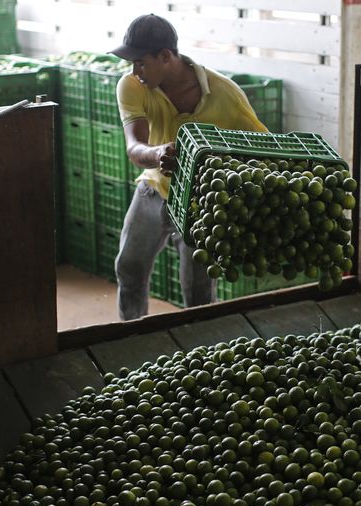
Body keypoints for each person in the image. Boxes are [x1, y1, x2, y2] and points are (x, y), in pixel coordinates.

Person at [110, 14, 268, 320]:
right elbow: (135, 146)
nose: (134, 70)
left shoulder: (226, 95)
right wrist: (157, 154)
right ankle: (129, 335)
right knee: (129, 268)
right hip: (154, 189)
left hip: (202, 203)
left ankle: (199, 352)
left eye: (141, 62)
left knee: (197, 292)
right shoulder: (132, 86)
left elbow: (259, 148)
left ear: (166, 56)